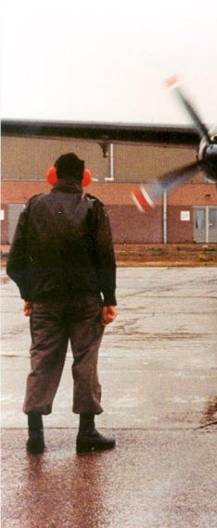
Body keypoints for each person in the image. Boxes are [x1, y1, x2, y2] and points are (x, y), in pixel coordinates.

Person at [6, 152, 118, 455]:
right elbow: (105, 257)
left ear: (52, 175)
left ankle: (35, 435)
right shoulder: (93, 207)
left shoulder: (33, 206)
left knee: (42, 360)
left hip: (45, 301)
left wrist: (29, 293)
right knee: (86, 362)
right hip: (85, 301)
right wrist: (109, 299)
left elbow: (14, 263)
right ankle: (86, 433)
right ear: (85, 178)